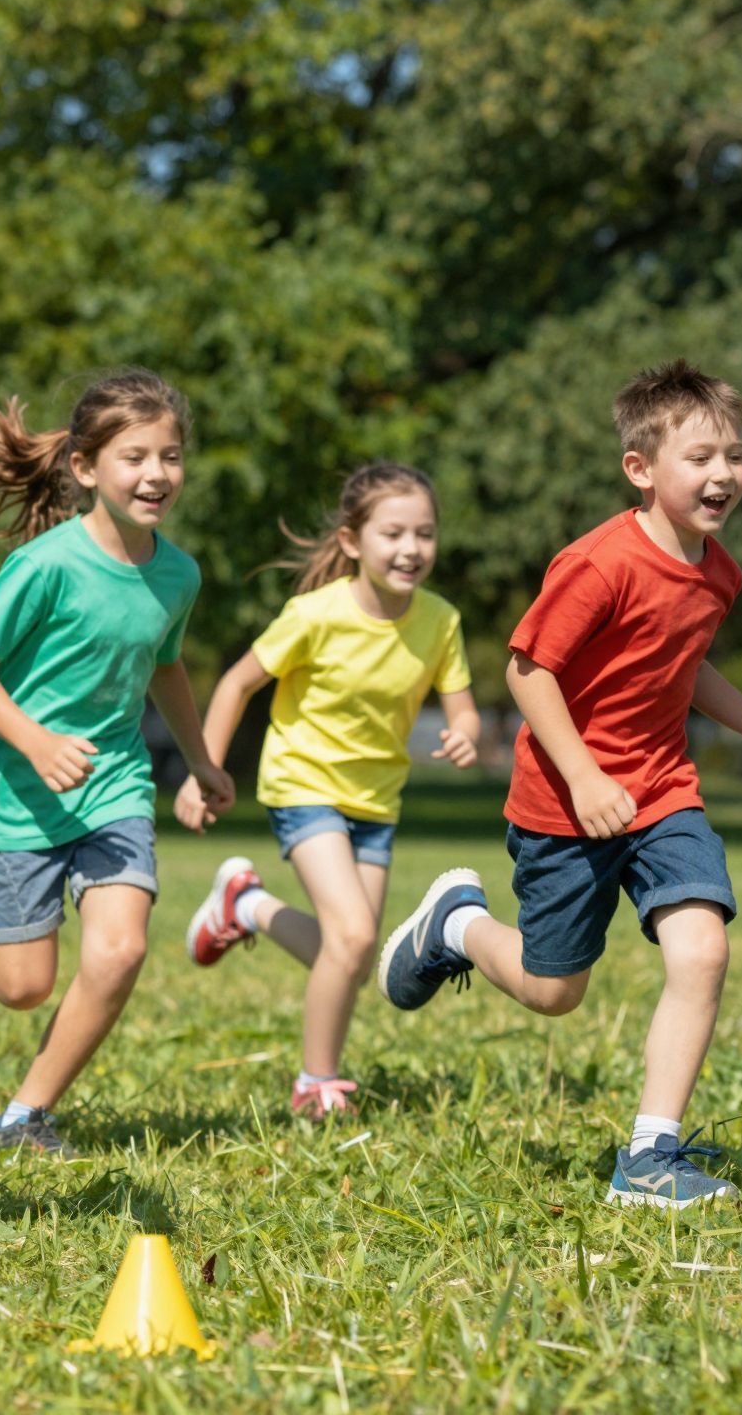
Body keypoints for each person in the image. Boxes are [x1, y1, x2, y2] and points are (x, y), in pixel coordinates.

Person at [377, 361, 742, 1206]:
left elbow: (682, 661)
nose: (724, 476)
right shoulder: (599, 563)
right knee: (553, 989)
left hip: (663, 791)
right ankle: (456, 927)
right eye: (702, 457)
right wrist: (585, 774)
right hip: (566, 801)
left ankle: (650, 1157)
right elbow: (530, 671)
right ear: (641, 470)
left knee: (702, 946)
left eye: (735, 458)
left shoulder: (719, 571)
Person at [0, 373, 233, 1156]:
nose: (156, 475)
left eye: (171, 456)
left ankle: (25, 1114)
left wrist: (201, 761)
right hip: (20, 791)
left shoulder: (179, 574)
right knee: (23, 987)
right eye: (135, 456)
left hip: (113, 785)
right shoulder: (45, 566)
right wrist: (38, 743)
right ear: (85, 467)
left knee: (120, 949)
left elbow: (167, 667)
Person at [175, 463, 480, 1120]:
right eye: (392, 533)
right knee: (349, 940)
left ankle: (246, 906)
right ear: (351, 541)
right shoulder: (314, 614)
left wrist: (464, 731)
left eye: (424, 534)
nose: (410, 549)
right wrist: (208, 770)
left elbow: (462, 703)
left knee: (355, 951)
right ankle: (317, 1082)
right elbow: (235, 684)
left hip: (376, 801)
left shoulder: (440, 620)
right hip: (303, 783)